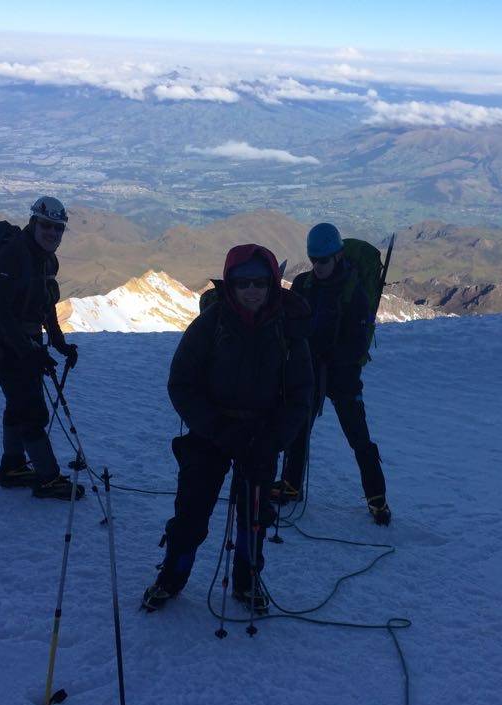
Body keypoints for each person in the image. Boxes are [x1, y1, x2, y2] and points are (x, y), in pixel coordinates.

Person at [142, 244, 313, 613]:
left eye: (260, 282)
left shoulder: (287, 329)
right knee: (191, 510)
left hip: (261, 435)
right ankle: (171, 577)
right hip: (211, 434)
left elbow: (301, 394)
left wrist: (272, 439)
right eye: (242, 282)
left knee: (254, 517)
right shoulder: (211, 325)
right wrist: (216, 428)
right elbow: (182, 384)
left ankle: (247, 581)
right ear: (230, 285)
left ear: (271, 284)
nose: (252, 290)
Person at [271, 223, 392, 525]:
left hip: (341, 375)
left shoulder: (355, 293)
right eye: (314, 260)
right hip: (311, 369)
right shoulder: (303, 285)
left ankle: (377, 498)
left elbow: (356, 344)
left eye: (323, 260)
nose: (318, 266)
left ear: (337, 256)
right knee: (298, 428)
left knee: (358, 436)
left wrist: (325, 358)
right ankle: (291, 486)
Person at [0, 195, 83, 500]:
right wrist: (30, 351)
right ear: (33, 222)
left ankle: (12, 468)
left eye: (58, 228)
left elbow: (46, 304)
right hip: (4, 344)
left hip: (25, 343)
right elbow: (0, 313)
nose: (52, 233)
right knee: (31, 410)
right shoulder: (12, 256)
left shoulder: (45, 259)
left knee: (18, 402)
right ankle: (48, 479)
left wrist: (59, 344)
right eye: (47, 226)